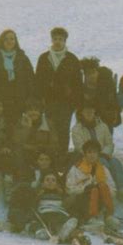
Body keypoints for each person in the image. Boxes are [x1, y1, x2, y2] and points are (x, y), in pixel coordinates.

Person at [35, 27, 83, 156]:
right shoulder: (44, 58)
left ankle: (62, 159)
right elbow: (38, 80)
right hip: (48, 102)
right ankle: (48, 160)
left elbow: (78, 83)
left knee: (63, 132)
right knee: (48, 131)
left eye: (60, 39)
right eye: (55, 39)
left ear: (65, 41)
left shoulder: (72, 59)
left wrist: (73, 101)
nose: (57, 42)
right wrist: (40, 99)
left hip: (65, 104)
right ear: (51, 40)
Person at [71, 101, 123, 201]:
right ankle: (106, 191)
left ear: (95, 112)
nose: (89, 113)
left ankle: (121, 188)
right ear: (81, 113)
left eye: (91, 110)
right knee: (103, 163)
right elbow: (79, 146)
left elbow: (109, 143)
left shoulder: (103, 126)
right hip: (87, 156)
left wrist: (104, 153)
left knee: (115, 162)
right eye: (86, 111)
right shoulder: (77, 129)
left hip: (103, 154)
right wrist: (96, 155)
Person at [0, 29, 35, 128]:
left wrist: (29, 99)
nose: (9, 41)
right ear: (1, 41)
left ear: (16, 41)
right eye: (6, 39)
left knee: (15, 128)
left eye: (12, 39)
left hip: (18, 100)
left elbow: (31, 80)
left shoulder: (23, 58)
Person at [65, 140, 117, 229]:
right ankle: (91, 218)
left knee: (102, 186)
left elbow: (113, 189)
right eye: (89, 152)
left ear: (98, 154)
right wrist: (85, 188)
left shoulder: (103, 169)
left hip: (99, 199)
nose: (92, 155)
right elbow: (69, 189)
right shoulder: (76, 168)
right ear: (85, 154)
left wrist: (103, 189)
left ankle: (108, 216)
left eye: (94, 152)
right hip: (80, 199)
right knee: (93, 189)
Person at [11, 97, 59, 181]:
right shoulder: (20, 122)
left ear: (40, 111)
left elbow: (54, 142)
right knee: (18, 151)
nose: (33, 112)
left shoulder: (49, 123)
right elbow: (17, 142)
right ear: (25, 112)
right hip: (27, 154)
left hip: (44, 153)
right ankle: (23, 179)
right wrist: (27, 128)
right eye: (30, 110)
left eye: (36, 110)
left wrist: (44, 150)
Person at [27, 170, 79, 242]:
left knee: (62, 220)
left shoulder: (60, 195)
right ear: (42, 183)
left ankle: (62, 232)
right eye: (47, 180)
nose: (50, 182)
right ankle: (42, 232)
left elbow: (65, 205)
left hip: (59, 213)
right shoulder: (40, 194)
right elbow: (33, 205)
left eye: (53, 180)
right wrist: (38, 195)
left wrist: (68, 197)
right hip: (44, 213)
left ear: (57, 184)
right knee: (36, 223)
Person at [80, 57, 121, 133]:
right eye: (88, 73)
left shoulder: (107, 84)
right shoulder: (82, 88)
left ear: (97, 72)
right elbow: (80, 108)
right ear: (85, 75)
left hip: (106, 119)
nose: (92, 75)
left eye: (93, 72)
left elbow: (114, 102)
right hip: (89, 120)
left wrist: (116, 115)